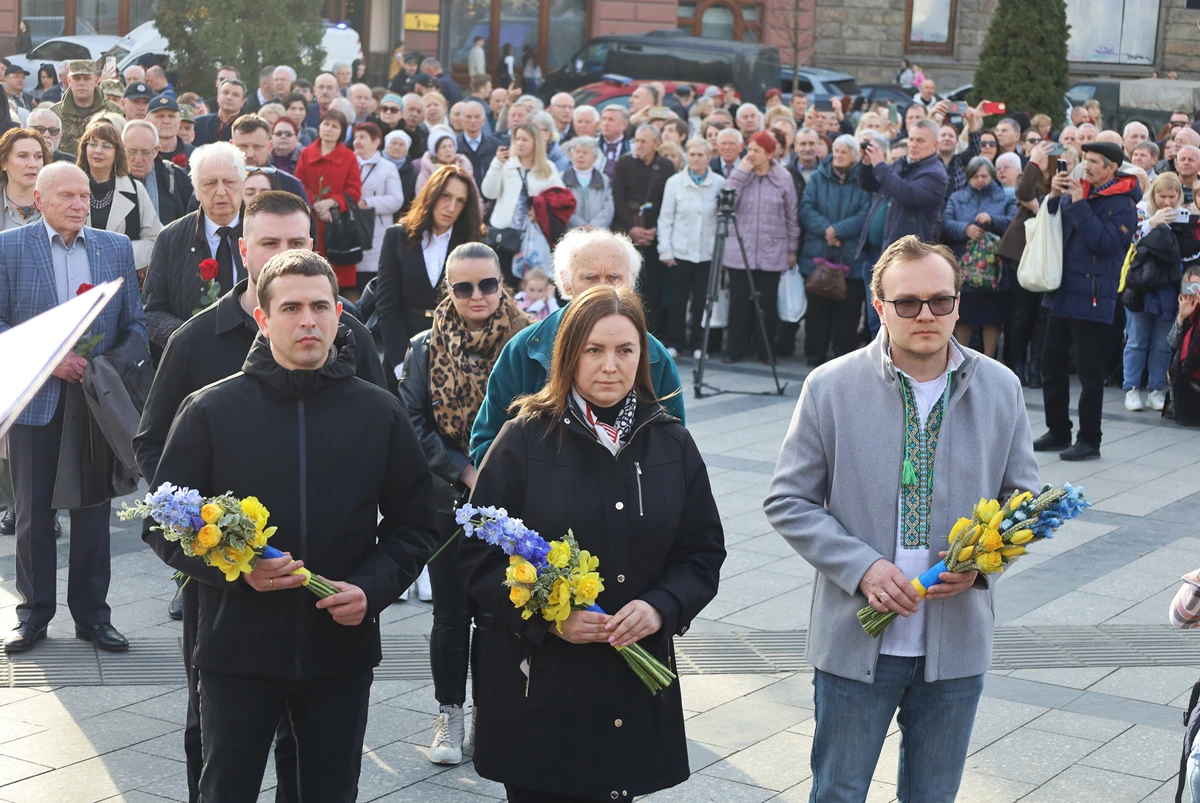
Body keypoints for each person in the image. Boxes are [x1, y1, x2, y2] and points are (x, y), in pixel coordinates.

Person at [143, 247, 436, 802]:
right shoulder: (210, 410)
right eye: (292, 308)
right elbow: (161, 524)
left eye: (322, 307)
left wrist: (371, 589)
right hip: (238, 649)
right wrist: (235, 567)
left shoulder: (378, 411)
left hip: (339, 649)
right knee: (226, 789)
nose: (309, 321)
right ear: (263, 317)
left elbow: (415, 524)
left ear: (339, 315)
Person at [765, 235, 1039, 803]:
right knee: (838, 793)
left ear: (959, 303)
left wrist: (984, 568)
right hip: (854, 638)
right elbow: (788, 500)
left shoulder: (1000, 387)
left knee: (932, 797)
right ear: (879, 306)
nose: (925, 315)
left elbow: (1024, 502)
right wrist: (862, 567)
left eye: (941, 300)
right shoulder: (831, 386)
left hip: (956, 642)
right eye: (907, 302)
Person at [461, 282, 724, 802]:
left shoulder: (669, 439)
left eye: (626, 350)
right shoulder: (524, 437)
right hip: (541, 684)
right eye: (594, 350)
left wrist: (660, 607)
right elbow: (478, 558)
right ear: (568, 355)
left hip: (633, 679)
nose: (611, 365)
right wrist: (548, 616)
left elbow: (702, 552)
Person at [0, 162, 147, 654]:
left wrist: (100, 367)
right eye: (67, 196)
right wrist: (50, 358)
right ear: (38, 200)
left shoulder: (115, 248)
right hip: (36, 399)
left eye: (84, 196)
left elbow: (137, 328)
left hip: (95, 401)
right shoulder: (9, 247)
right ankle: (34, 615)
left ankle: (92, 616)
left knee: (92, 510)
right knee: (32, 512)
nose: (79, 205)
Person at [396, 241, 532, 765]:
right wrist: (465, 469)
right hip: (448, 501)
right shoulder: (423, 347)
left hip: (513, 501)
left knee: (503, 616)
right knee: (451, 617)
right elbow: (412, 421)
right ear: (447, 290)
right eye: (463, 286)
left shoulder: (529, 342)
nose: (477, 296)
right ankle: (449, 716)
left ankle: (489, 715)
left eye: (488, 284)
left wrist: (498, 476)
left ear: (503, 282)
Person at [470, 227, 686, 465]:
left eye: (614, 278)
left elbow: (673, 452)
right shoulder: (524, 350)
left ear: (631, 282)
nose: (602, 288)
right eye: (589, 277)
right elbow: (486, 447)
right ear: (566, 282)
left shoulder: (655, 357)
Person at [1036, 140, 1140, 461]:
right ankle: (1058, 430)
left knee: (1089, 373)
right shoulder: (1078, 191)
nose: (1088, 165)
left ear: (1111, 167)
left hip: (1094, 296)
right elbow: (1054, 229)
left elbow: (1103, 243)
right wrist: (1054, 198)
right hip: (1063, 291)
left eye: (1095, 161)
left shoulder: (1124, 204)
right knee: (1051, 364)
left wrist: (1079, 203)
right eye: (1086, 159)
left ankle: (1089, 440)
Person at [376, 164, 486, 379]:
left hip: (454, 354)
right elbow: (386, 307)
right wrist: (401, 365)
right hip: (402, 349)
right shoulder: (397, 237)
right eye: (445, 196)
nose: (451, 207)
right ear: (432, 194)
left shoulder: (470, 243)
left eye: (460, 201)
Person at [142, 142, 248, 350]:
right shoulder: (171, 238)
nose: (220, 191)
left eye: (229, 182)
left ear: (243, 185)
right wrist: (192, 338)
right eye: (209, 183)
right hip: (191, 361)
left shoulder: (264, 234)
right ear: (197, 191)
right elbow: (151, 312)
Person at [721, 130, 799, 365]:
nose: (751, 154)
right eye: (749, 149)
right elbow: (726, 202)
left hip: (772, 250)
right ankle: (735, 349)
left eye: (756, 150)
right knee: (738, 302)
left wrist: (792, 249)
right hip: (740, 249)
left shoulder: (783, 177)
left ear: (769, 153)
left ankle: (765, 350)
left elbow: (791, 216)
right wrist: (741, 172)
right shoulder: (740, 173)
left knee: (766, 304)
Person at [1123, 172, 1195, 413]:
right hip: (1143, 284)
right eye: (1162, 196)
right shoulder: (1142, 210)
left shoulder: (1184, 215)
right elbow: (1130, 240)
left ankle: (1155, 389)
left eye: (1171, 196)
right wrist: (1153, 223)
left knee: (1163, 343)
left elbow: (1189, 254)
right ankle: (1131, 388)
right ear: (1153, 194)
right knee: (1137, 339)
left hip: (1170, 286)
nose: (1166, 202)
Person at [799, 134, 871, 365]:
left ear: (854, 156)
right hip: (819, 252)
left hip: (850, 256)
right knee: (817, 309)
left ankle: (843, 357)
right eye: (836, 150)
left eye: (844, 151)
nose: (838, 155)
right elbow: (806, 208)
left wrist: (838, 230)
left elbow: (865, 213)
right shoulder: (818, 177)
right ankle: (815, 354)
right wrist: (827, 231)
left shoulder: (862, 180)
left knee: (847, 311)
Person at [942, 157, 1016, 359]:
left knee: (992, 318)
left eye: (984, 176)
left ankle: (990, 359)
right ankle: (960, 358)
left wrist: (993, 221)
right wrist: (965, 229)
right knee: (963, 316)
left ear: (992, 176)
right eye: (976, 176)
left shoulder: (1005, 198)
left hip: (996, 269)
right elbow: (946, 224)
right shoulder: (958, 197)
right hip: (964, 267)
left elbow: (1013, 223)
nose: (980, 180)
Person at [658, 137, 723, 359]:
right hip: (680, 252)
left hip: (707, 253)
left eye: (700, 155)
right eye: (692, 154)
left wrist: (719, 254)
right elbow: (665, 218)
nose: (696, 159)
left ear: (709, 157)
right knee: (678, 300)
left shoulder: (720, 183)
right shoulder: (674, 182)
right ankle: (676, 342)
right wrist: (664, 250)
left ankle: (698, 343)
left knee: (702, 302)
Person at [77, 119, 162, 282]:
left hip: (122, 278)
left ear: (118, 151)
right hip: (77, 278)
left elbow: (154, 240)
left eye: (106, 145)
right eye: (93, 144)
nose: (98, 151)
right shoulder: (69, 187)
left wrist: (116, 254)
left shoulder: (135, 189)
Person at [480, 121, 563, 286]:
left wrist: (540, 207)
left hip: (534, 238)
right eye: (517, 139)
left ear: (535, 142)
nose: (519, 143)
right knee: (504, 284)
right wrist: (497, 164)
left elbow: (560, 198)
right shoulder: (505, 164)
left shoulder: (548, 168)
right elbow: (488, 192)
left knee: (530, 286)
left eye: (525, 139)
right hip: (504, 235)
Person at [612, 124, 674, 338]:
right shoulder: (624, 163)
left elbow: (668, 201)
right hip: (627, 233)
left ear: (657, 144)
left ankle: (654, 333)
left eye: (644, 141)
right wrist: (632, 228)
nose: (638, 145)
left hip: (655, 235)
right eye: (636, 140)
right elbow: (618, 198)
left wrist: (654, 230)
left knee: (654, 286)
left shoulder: (666, 166)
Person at [295, 109, 362, 289]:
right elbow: (298, 184)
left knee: (338, 281)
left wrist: (331, 203)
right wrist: (316, 206)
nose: (329, 129)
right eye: (326, 124)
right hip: (310, 220)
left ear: (342, 132)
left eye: (335, 126)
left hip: (337, 224)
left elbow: (354, 190)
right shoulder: (306, 153)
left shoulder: (349, 157)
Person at [861, 118, 948, 250]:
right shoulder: (901, 163)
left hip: (907, 254)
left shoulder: (936, 174)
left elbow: (908, 194)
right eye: (911, 139)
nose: (913, 144)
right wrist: (867, 163)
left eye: (920, 140)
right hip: (878, 249)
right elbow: (870, 185)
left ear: (935, 145)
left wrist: (880, 165)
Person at [353, 121, 405, 293]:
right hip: (350, 229)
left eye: (363, 137)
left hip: (376, 231)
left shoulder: (387, 168)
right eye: (356, 137)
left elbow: (396, 199)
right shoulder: (349, 162)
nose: (357, 141)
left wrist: (369, 203)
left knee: (373, 282)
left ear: (376, 141)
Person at [48, 60, 124, 156]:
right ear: (69, 81)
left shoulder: (115, 113)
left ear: (96, 81)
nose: (81, 83)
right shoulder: (54, 114)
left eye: (87, 78)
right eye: (76, 78)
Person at [0, 127, 50, 231]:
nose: (33, 164)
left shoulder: (59, 202)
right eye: (23, 156)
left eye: (38, 156)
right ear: (3, 163)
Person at [562, 135, 613, 230]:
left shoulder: (604, 180)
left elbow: (608, 208)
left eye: (585, 153)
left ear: (595, 158)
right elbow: (561, 207)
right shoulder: (561, 178)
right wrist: (580, 225)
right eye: (577, 152)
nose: (580, 156)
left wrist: (595, 226)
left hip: (597, 233)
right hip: (570, 233)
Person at [417, 125, 475, 194]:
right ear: (436, 152)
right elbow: (421, 196)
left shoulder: (464, 166)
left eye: (450, 146)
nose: (448, 150)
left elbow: (475, 193)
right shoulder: (427, 171)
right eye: (443, 147)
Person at [193, 78, 247, 146]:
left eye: (235, 95)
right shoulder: (199, 123)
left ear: (242, 102)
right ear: (218, 97)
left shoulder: (248, 128)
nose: (229, 97)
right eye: (225, 92)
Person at [148, 95, 194, 168]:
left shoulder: (195, 155)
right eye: (160, 116)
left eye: (171, 116)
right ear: (147, 122)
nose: (166, 121)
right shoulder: (142, 155)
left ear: (179, 122)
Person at [457, 99, 500, 178]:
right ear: (461, 120)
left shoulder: (495, 145)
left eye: (477, 117)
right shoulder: (454, 145)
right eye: (468, 117)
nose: (473, 121)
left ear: (484, 120)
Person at [383, 129, 418, 213]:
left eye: (401, 145)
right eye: (394, 143)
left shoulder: (411, 172)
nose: (397, 147)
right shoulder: (375, 164)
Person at [598, 105, 631, 178]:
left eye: (611, 120)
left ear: (624, 125)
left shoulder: (633, 149)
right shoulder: (592, 146)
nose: (606, 123)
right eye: (603, 119)